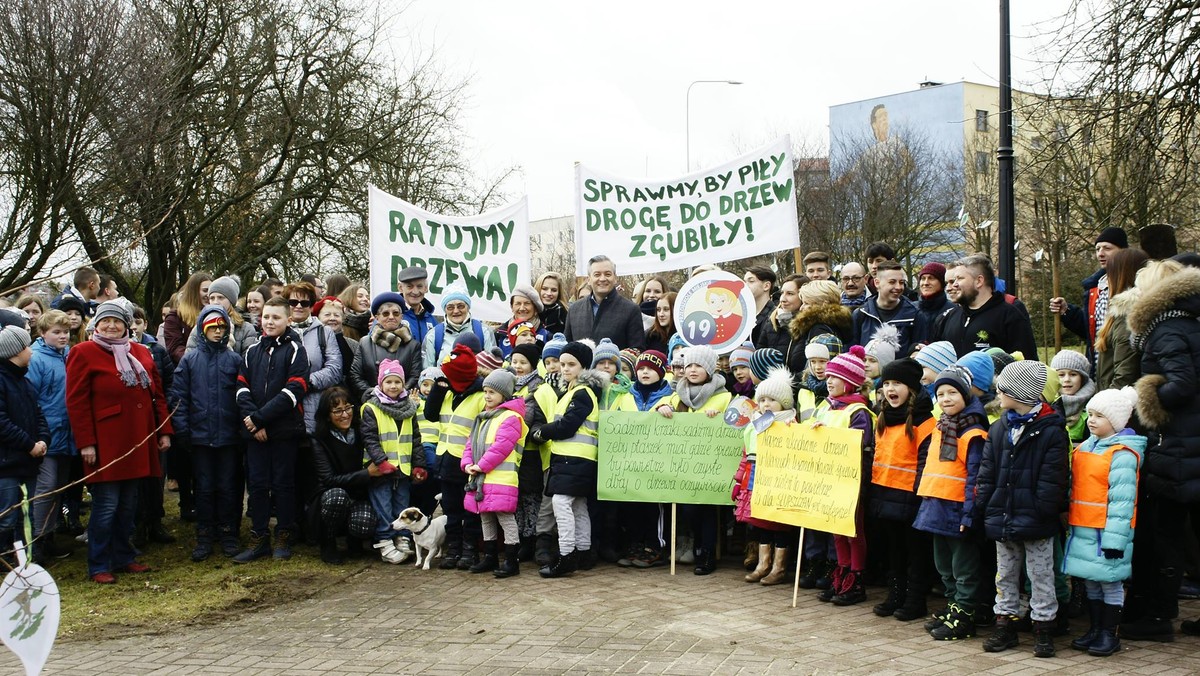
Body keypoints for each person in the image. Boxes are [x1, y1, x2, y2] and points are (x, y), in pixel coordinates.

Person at [66, 301, 171, 584]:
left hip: (139, 438)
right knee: (107, 504)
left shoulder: (140, 352)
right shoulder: (83, 352)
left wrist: (163, 431)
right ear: (96, 325)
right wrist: (86, 442)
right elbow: (76, 402)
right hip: (106, 442)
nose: (112, 326)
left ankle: (124, 555)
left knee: (129, 504)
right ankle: (99, 562)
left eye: (118, 321)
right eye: (106, 321)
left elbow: (157, 395)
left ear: (127, 324)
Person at [1123, 259, 1200, 641]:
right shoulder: (1189, 323)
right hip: (1191, 441)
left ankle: (1158, 617)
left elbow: (1182, 383)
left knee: (1165, 534)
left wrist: (1148, 394)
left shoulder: (1166, 329)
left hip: (1179, 446)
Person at [976, 360, 1069, 657]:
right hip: (1003, 514)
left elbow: (1053, 477)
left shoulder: (1051, 431)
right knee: (1005, 574)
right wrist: (985, 503)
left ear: (1021, 393)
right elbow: (987, 470)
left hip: (1036, 517)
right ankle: (1005, 623)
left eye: (1003, 389)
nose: (998, 393)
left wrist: (1044, 509)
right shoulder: (999, 428)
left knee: (1040, 574)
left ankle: (1044, 627)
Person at [1063, 387, 1144, 658]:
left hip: (1106, 531)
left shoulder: (1122, 454)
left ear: (1118, 421)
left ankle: (1110, 632)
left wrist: (1115, 541)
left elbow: (1123, 503)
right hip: (1084, 527)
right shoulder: (1087, 446)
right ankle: (1096, 629)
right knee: (1091, 581)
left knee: (1109, 582)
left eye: (1099, 416)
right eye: (1090, 414)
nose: (1092, 420)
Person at [233, 296, 309, 563]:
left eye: (276, 317)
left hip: (284, 431)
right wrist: (253, 423)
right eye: (266, 317)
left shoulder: (296, 350)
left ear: (288, 320)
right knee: (257, 485)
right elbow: (241, 387)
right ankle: (259, 537)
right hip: (254, 433)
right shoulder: (251, 350)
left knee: (283, 484)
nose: (269, 322)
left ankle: (284, 535)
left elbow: (295, 390)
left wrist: (262, 419)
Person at [916, 364, 989, 640]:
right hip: (936, 506)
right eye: (941, 393)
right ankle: (953, 605)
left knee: (963, 567)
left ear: (966, 395)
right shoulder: (941, 426)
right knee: (944, 565)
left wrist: (970, 516)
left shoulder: (973, 432)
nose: (946, 399)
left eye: (952, 393)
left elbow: (975, 478)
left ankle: (966, 613)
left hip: (958, 510)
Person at [169, 305, 243, 561]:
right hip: (199, 437)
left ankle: (228, 532)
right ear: (202, 328)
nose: (217, 331)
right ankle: (204, 534)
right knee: (204, 487)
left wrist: (240, 429)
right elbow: (179, 398)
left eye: (222, 327)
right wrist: (183, 431)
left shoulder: (234, 360)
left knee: (227, 486)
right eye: (212, 327)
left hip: (228, 437)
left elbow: (242, 397)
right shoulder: (190, 360)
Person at [529, 341, 604, 578]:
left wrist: (544, 432)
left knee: (561, 504)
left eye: (571, 364)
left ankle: (567, 555)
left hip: (574, 458)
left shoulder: (582, 392)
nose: (565, 369)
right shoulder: (573, 391)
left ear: (584, 367)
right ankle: (583, 552)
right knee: (578, 506)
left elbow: (568, 426)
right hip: (574, 458)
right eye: (562, 364)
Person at [869, 357, 936, 621]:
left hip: (911, 498)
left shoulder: (925, 422)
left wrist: (918, 495)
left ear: (911, 387)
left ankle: (915, 599)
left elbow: (924, 462)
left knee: (915, 552)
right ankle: (895, 594)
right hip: (884, 494)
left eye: (897, 383)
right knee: (893, 550)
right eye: (886, 383)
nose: (890, 389)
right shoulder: (883, 417)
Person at [656, 345, 731, 575]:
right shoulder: (676, 394)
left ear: (709, 368)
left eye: (698, 365)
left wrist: (720, 417)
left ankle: (706, 553)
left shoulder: (724, 396)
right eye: (688, 365)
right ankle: (697, 545)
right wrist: (662, 407)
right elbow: (652, 416)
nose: (692, 370)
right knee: (688, 509)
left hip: (709, 467)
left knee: (706, 508)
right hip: (682, 466)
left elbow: (735, 421)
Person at [811, 346, 874, 606]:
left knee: (853, 531)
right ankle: (841, 569)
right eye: (828, 377)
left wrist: (828, 433)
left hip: (850, 481)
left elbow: (860, 441)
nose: (829, 382)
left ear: (849, 382)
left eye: (835, 377)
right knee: (836, 529)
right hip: (828, 480)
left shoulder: (858, 412)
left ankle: (856, 577)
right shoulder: (826, 407)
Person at [423, 344, 486, 570]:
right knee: (450, 509)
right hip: (446, 460)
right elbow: (430, 415)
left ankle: (470, 550)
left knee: (469, 511)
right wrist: (439, 389)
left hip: (468, 463)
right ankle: (454, 548)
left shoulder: (480, 396)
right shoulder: (447, 392)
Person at [735, 366, 798, 585]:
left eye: (772, 400)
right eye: (762, 400)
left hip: (780, 481)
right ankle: (763, 564)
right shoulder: (754, 425)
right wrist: (739, 478)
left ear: (784, 403)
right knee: (761, 522)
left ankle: (779, 567)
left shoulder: (789, 424)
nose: (766, 404)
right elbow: (746, 453)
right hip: (756, 478)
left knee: (778, 523)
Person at [462, 369, 528, 578]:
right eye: (485, 391)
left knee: (505, 518)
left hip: (501, 478)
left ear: (504, 395)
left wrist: (480, 465)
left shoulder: (511, 417)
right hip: (481, 477)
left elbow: (502, 447)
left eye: (492, 392)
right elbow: (469, 444)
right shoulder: (482, 417)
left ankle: (511, 561)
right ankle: (490, 557)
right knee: (486, 517)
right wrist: (467, 464)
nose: (487, 396)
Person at [360, 359, 426, 564]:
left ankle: (402, 537)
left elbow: (415, 438)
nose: (393, 386)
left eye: (397, 381)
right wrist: (380, 461)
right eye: (388, 382)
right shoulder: (371, 408)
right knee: (383, 506)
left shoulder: (409, 408)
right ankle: (384, 540)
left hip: (403, 468)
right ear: (380, 384)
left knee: (401, 505)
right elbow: (369, 438)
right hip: (381, 470)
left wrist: (419, 464)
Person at [615, 350, 673, 569]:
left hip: (658, 462)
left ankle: (655, 546)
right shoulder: (626, 395)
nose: (645, 372)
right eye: (641, 368)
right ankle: (635, 545)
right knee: (632, 506)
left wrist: (668, 409)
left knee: (653, 507)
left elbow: (680, 416)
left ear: (660, 371)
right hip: (630, 462)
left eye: (650, 368)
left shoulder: (670, 395)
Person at [308, 387, 379, 565]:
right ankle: (328, 542)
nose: (345, 414)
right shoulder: (319, 440)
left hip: (359, 495)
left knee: (365, 522)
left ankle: (353, 540)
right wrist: (366, 474)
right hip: (330, 496)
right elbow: (328, 480)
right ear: (327, 415)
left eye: (348, 408)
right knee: (337, 497)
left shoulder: (363, 432)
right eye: (337, 410)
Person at [27, 311, 75, 564]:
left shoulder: (69, 356)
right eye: (56, 332)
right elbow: (30, 398)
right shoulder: (36, 360)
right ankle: (36, 542)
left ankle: (50, 535)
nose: (62, 336)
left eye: (65, 332)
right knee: (45, 488)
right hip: (47, 434)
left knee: (58, 489)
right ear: (43, 333)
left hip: (68, 433)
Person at [0, 324, 49, 566]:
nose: (31, 351)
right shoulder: (2, 381)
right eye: (27, 346)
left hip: (27, 462)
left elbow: (38, 414)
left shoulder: (24, 382)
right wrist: (29, 444)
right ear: (15, 351)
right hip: (7, 464)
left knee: (23, 515)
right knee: (6, 516)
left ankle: (22, 561)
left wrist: (43, 440)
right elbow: (2, 423)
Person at [1050, 227, 1128, 365]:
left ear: (1123, 251)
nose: (1100, 254)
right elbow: (1091, 330)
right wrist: (1066, 311)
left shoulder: (1134, 284)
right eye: (1097, 249)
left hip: (1125, 362)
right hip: (1099, 365)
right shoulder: (1095, 288)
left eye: (1107, 248)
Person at [934, 256, 1037, 358]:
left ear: (979, 281)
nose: (953, 285)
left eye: (959, 279)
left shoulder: (1010, 316)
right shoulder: (948, 318)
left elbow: (1026, 365)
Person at [283, 282, 343, 434]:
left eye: (304, 302)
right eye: (293, 302)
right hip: (284, 407)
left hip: (317, 407)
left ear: (311, 306)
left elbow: (335, 369)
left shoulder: (325, 332)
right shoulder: (278, 332)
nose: (298, 306)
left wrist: (306, 382)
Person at [1094, 248, 1150, 390]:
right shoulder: (1121, 312)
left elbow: (1124, 376)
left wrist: (1102, 406)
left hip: (1115, 405)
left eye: (1109, 274)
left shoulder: (1127, 316)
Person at [350, 292, 421, 403]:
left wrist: (399, 394)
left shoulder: (413, 345)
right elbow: (355, 375)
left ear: (401, 317)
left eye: (396, 313)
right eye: (386, 314)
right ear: (377, 317)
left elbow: (415, 376)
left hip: (403, 403)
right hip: (373, 402)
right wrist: (374, 393)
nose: (391, 317)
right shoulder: (365, 343)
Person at [563, 255, 645, 350]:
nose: (602, 279)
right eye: (597, 274)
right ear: (589, 279)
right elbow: (567, 348)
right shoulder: (574, 309)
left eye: (607, 274)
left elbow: (637, 349)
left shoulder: (631, 310)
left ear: (615, 278)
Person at [787, 280, 852, 383]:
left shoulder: (819, 329)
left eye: (806, 303)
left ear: (823, 304)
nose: (801, 308)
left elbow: (814, 369)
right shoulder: (835, 324)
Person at [852, 260, 919, 356]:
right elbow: (852, 354)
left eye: (901, 282)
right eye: (892, 282)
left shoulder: (914, 315)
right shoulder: (861, 315)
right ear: (877, 283)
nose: (898, 287)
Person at [422, 285, 496, 368]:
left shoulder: (484, 332)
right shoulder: (433, 336)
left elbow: (492, 370)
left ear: (468, 307)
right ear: (445, 309)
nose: (456, 311)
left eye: (460, 306)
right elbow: (427, 374)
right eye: (450, 307)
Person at [186, 276, 256, 356]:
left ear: (231, 301)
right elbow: (189, 359)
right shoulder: (200, 327)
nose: (216, 302)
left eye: (220, 298)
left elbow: (249, 362)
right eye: (212, 298)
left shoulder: (246, 329)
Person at [162, 272, 212, 364]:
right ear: (193, 292)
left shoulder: (215, 315)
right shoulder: (175, 317)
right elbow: (175, 348)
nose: (208, 295)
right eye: (205, 290)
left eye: (211, 291)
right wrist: (197, 361)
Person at [1050, 350, 1096, 445]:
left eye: (1073, 374)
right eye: (1061, 375)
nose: (1067, 379)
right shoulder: (1044, 404)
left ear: (1082, 378)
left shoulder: (1093, 407)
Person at [756, 274, 803, 353]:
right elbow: (759, 354)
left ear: (803, 296)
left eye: (790, 293)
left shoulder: (809, 325)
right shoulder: (772, 321)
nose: (782, 299)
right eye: (782, 293)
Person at [496, 285, 548, 357]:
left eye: (527, 303)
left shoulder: (547, 335)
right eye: (518, 304)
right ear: (512, 307)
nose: (522, 308)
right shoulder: (499, 335)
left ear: (535, 308)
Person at [314, 296, 358, 380]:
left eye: (337, 315)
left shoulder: (353, 345)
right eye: (327, 315)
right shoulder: (311, 342)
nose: (332, 318)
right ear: (318, 318)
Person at [396, 266, 439, 346]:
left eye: (419, 286)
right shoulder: (390, 317)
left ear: (426, 288)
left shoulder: (432, 320)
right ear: (400, 288)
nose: (415, 292)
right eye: (410, 286)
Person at [913, 262, 949, 346]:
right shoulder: (911, 309)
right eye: (923, 278)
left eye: (931, 278)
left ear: (942, 283)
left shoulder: (952, 311)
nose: (925, 283)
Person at [743, 265, 777, 345]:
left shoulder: (775, 317)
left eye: (751, 281)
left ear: (766, 286)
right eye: (744, 282)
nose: (745, 286)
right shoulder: (744, 316)